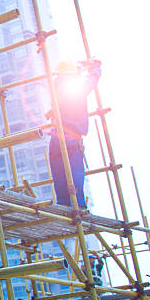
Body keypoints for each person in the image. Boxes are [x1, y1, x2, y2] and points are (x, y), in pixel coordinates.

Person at [47, 58, 101, 209]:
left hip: (55, 138)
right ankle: (78, 205)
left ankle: (63, 203)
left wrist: (79, 67)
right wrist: (95, 68)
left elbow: (69, 75)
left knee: (59, 174)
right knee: (75, 173)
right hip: (70, 138)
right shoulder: (76, 89)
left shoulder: (56, 87)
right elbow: (90, 82)